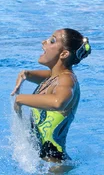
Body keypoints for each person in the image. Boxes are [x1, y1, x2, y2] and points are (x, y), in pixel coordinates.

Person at [11, 29, 92, 161]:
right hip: (45, 163)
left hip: (55, 166)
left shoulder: (67, 80)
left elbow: (58, 102)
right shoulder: (54, 77)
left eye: (52, 41)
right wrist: (25, 74)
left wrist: (20, 99)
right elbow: (37, 77)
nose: (44, 42)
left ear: (64, 54)